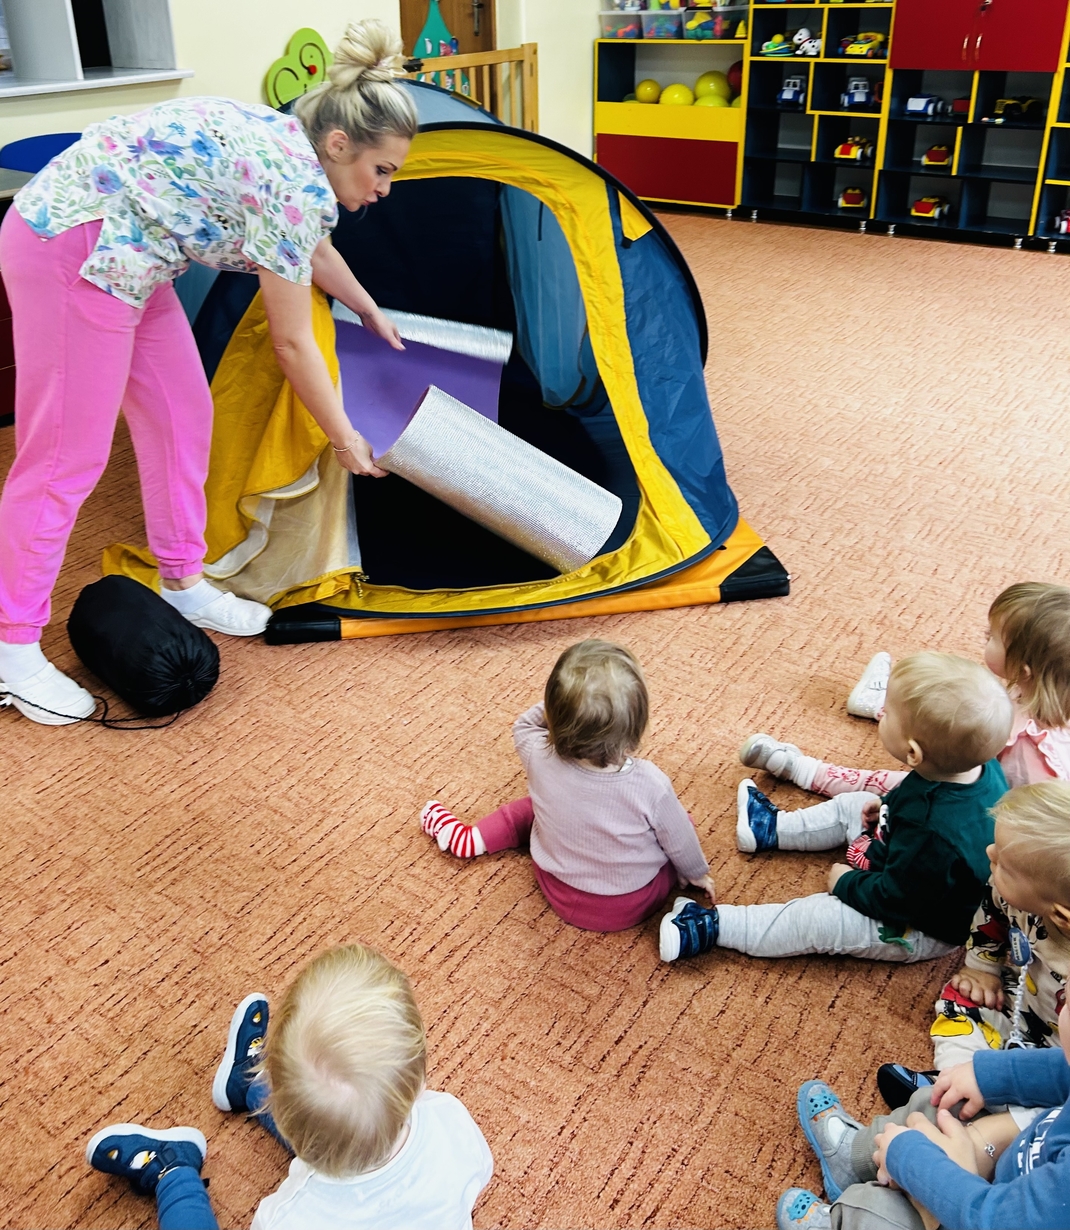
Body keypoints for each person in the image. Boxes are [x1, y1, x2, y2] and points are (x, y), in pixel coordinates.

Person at [0, 19, 416, 725]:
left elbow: (310, 249)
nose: (384, 189)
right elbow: (293, 344)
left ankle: (182, 578)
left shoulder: (295, 152)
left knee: (183, 415)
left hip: (135, 254)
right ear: (340, 144)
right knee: (65, 457)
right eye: (382, 170)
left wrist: (368, 308)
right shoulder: (292, 184)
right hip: (71, 246)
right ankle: (11, 648)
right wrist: (345, 438)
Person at [85, 944, 494, 1229]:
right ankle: (246, 1084)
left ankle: (172, 1169)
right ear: (418, 1081)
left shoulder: (288, 1219)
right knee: (343, 1125)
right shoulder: (452, 1121)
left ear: (280, 1112)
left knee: (328, 1121)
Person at [660, 652, 1012, 964]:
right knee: (856, 803)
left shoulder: (932, 834)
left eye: (887, 712)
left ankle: (711, 927)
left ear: (913, 753)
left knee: (819, 920)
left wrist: (846, 882)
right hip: (911, 861)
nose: (881, 713)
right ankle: (771, 828)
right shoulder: (976, 766)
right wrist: (887, 806)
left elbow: (896, 900)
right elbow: (919, 793)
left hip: (920, 924)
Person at [420, 639, 715, 932]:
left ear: (553, 713)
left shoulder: (536, 751)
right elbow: (681, 841)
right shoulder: (651, 784)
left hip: (555, 886)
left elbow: (524, 723)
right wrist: (695, 872)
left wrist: (564, 706)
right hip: (629, 904)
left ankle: (472, 838)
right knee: (680, 825)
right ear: (637, 727)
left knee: (531, 809)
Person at [741, 583, 1070, 798]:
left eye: (992, 636)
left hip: (972, 796)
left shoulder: (1026, 751)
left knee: (892, 784)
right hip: (976, 760)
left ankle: (802, 769)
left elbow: (1001, 807)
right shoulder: (1045, 694)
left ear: (1024, 669)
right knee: (953, 705)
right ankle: (881, 703)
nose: (984, 635)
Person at [774, 993, 1070, 1229]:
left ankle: (846, 1222)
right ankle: (855, 1158)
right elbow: (1062, 1071)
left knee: (896, 1216)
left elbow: (989, 1219)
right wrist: (989, 1076)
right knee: (946, 1103)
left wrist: (909, 1158)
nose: (1060, 1005)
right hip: (1018, 1173)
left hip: (989, 1213)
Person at [879, 782, 1070, 1109]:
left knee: (1053, 1106)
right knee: (959, 997)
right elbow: (991, 916)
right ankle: (953, 1081)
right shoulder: (1018, 893)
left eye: (1004, 865)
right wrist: (982, 968)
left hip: (1058, 1055)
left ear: (1061, 916)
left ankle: (979, 1105)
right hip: (1015, 1003)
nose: (989, 853)